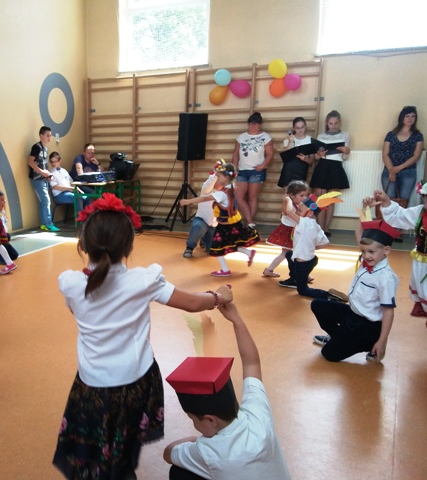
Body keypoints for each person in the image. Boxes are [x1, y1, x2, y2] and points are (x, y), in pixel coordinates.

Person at [52, 193, 233, 480]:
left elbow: (79, 312)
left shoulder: (71, 283)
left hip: (93, 384)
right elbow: (192, 302)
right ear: (129, 245)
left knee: (97, 441)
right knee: (125, 440)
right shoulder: (143, 280)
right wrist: (219, 296)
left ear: (83, 244)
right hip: (136, 380)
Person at [163, 302, 291, 480]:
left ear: (211, 419)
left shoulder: (207, 452)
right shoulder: (258, 417)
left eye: (193, 419)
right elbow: (252, 363)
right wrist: (236, 319)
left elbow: (168, 453)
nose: (195, 425)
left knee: (178, 472)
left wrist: (195, 440)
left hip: (211, 457)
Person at [311, 219, 400, 362]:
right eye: (363, 251)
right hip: (352, 313)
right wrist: (362, 216)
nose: (366, 255)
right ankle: (339, 336)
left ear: (386, 250)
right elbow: (360, 237)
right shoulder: (369, 259)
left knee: (328, 354)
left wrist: (382, 341)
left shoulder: (386, 278)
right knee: (317, 305)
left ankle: (371, 343)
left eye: (371, 252)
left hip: (366, 326)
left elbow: (388, 312)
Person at [180, 161, 259, 277]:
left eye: (219, 176)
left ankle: (225, 270)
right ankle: (248, 253)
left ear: (226, 177)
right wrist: (216, 172)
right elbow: (208, 185)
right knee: (229, 243)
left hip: (225, 225)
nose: (216, 178)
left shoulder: (222, 193)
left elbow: (204, 199)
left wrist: (188, 201)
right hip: (233, 223)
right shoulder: (232, 187)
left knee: (217, 247)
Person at [372, 183, 427, 320]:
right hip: (421, 261)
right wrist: (386, 201)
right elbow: (399, 216)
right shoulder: (420, 213)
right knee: (421, 285)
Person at [277, 193, 347, 302]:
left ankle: (329, 296)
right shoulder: (315, 225)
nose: (297, 213)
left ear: (309, 213)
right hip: (312, 260)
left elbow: (289, 212)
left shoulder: (304, 222)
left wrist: (287, 199)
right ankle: (295, 278)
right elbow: (325, 243)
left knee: (303, 290)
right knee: (289, 254)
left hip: (302, 264)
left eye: (299, 211)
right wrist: (309, 247)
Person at [310, 110, 351, 237]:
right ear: (327, 123)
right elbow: (316, 157)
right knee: (320, 198)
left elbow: (345, 158)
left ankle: (326, 228)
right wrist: (319, 154)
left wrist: (346, 151)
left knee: (331, 199)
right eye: (331, 123)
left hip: (336, 166)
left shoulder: (345, 135)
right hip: (323, 165)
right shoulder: (321, 136)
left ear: (339, 122)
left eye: (336, 123)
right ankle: (320, 228)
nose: (333, 126)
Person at [232, 112, 274, 227]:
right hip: (242, 170)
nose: (253, 126)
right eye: (251, 123)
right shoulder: (241, 137)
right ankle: (250, 222)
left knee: (252, 197)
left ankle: (248, 223)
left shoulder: (265, 137)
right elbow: (235, 153)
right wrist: (235, 168)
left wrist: (263, 165)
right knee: (239, 197)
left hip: (257, 171)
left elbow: (270, 154)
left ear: (260, 125)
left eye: (255, 124)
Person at [263, 180, 309, 278]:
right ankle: (302, 274)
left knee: (292, 253)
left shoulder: (298, 203)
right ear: (292, 195)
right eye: (302, 195)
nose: (305, 198)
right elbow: (289, 212)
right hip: (289, 231)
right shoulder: (288, 203)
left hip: (295, 231)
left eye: (306, 195)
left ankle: (269, 269)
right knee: (290, 253)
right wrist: (288, 200)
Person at [381, 106, 424, 205]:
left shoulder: (418, 135)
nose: (410, 119)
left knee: (403, 201)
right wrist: (391, 170)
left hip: (408, 172)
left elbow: (416, 156)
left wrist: (398, 168)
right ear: (402, 118)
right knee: (389, 201)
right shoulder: (391, 134)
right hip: (389, 171)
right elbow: (385, 154)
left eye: (413, 116)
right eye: (407, 116)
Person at [28, 126, 59, 232]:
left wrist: (48, 174)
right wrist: (42, 172)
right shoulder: (36, 147)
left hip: (43, 178)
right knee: (46, 200)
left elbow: (43, 165)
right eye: (47, 135)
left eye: (50, 136)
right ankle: (48, 223)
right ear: (41, 135)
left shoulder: (45, 149)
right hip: (37, 178)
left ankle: (43, 224)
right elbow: (30, 162)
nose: (49, 138)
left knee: (43, 202)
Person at [183, 172, 217, 258]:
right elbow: (209, 182)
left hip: (215, 224)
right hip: (203, 219)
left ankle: (205, 239)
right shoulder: (207, 188)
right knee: (198, 227)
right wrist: (216, 174)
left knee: (212, 251)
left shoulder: (226, 192)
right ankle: (189, 247)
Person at [277, 117, 314, 188]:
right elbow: (285, 156)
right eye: (297, 128)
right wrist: (290, 142)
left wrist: (305, 159)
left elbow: (311, 161)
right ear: (293, 128)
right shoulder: (288, 139)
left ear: (305, 126)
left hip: (301, 169)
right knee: (287, 193)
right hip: (289, 169)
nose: (300, 130)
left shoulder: (310, 140)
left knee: (299, 192)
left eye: (302, 127)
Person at [0, 191, 20, 264]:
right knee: (6, 236)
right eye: (2, 200)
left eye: (4, 200)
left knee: (14, 255)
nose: (4, 202)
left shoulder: (2, 212)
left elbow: (5, 228)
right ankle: (1, 256)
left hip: (3, 239)